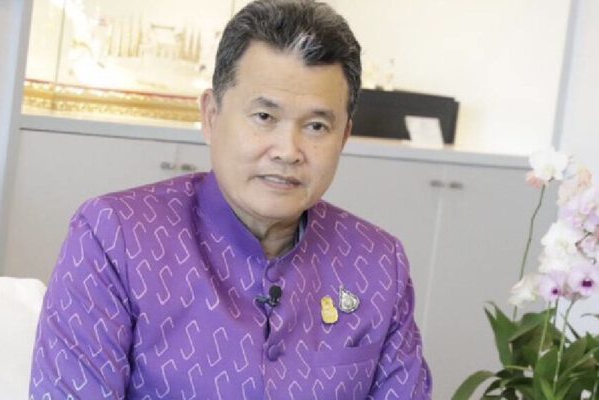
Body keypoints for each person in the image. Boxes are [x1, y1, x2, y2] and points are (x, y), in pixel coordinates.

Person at [29, 0, 432, 398]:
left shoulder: (379, 263)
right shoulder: (114, 239)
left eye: (316, 126)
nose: (288, 151)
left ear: (343, 137)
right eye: (264, 117)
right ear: (211, 115)